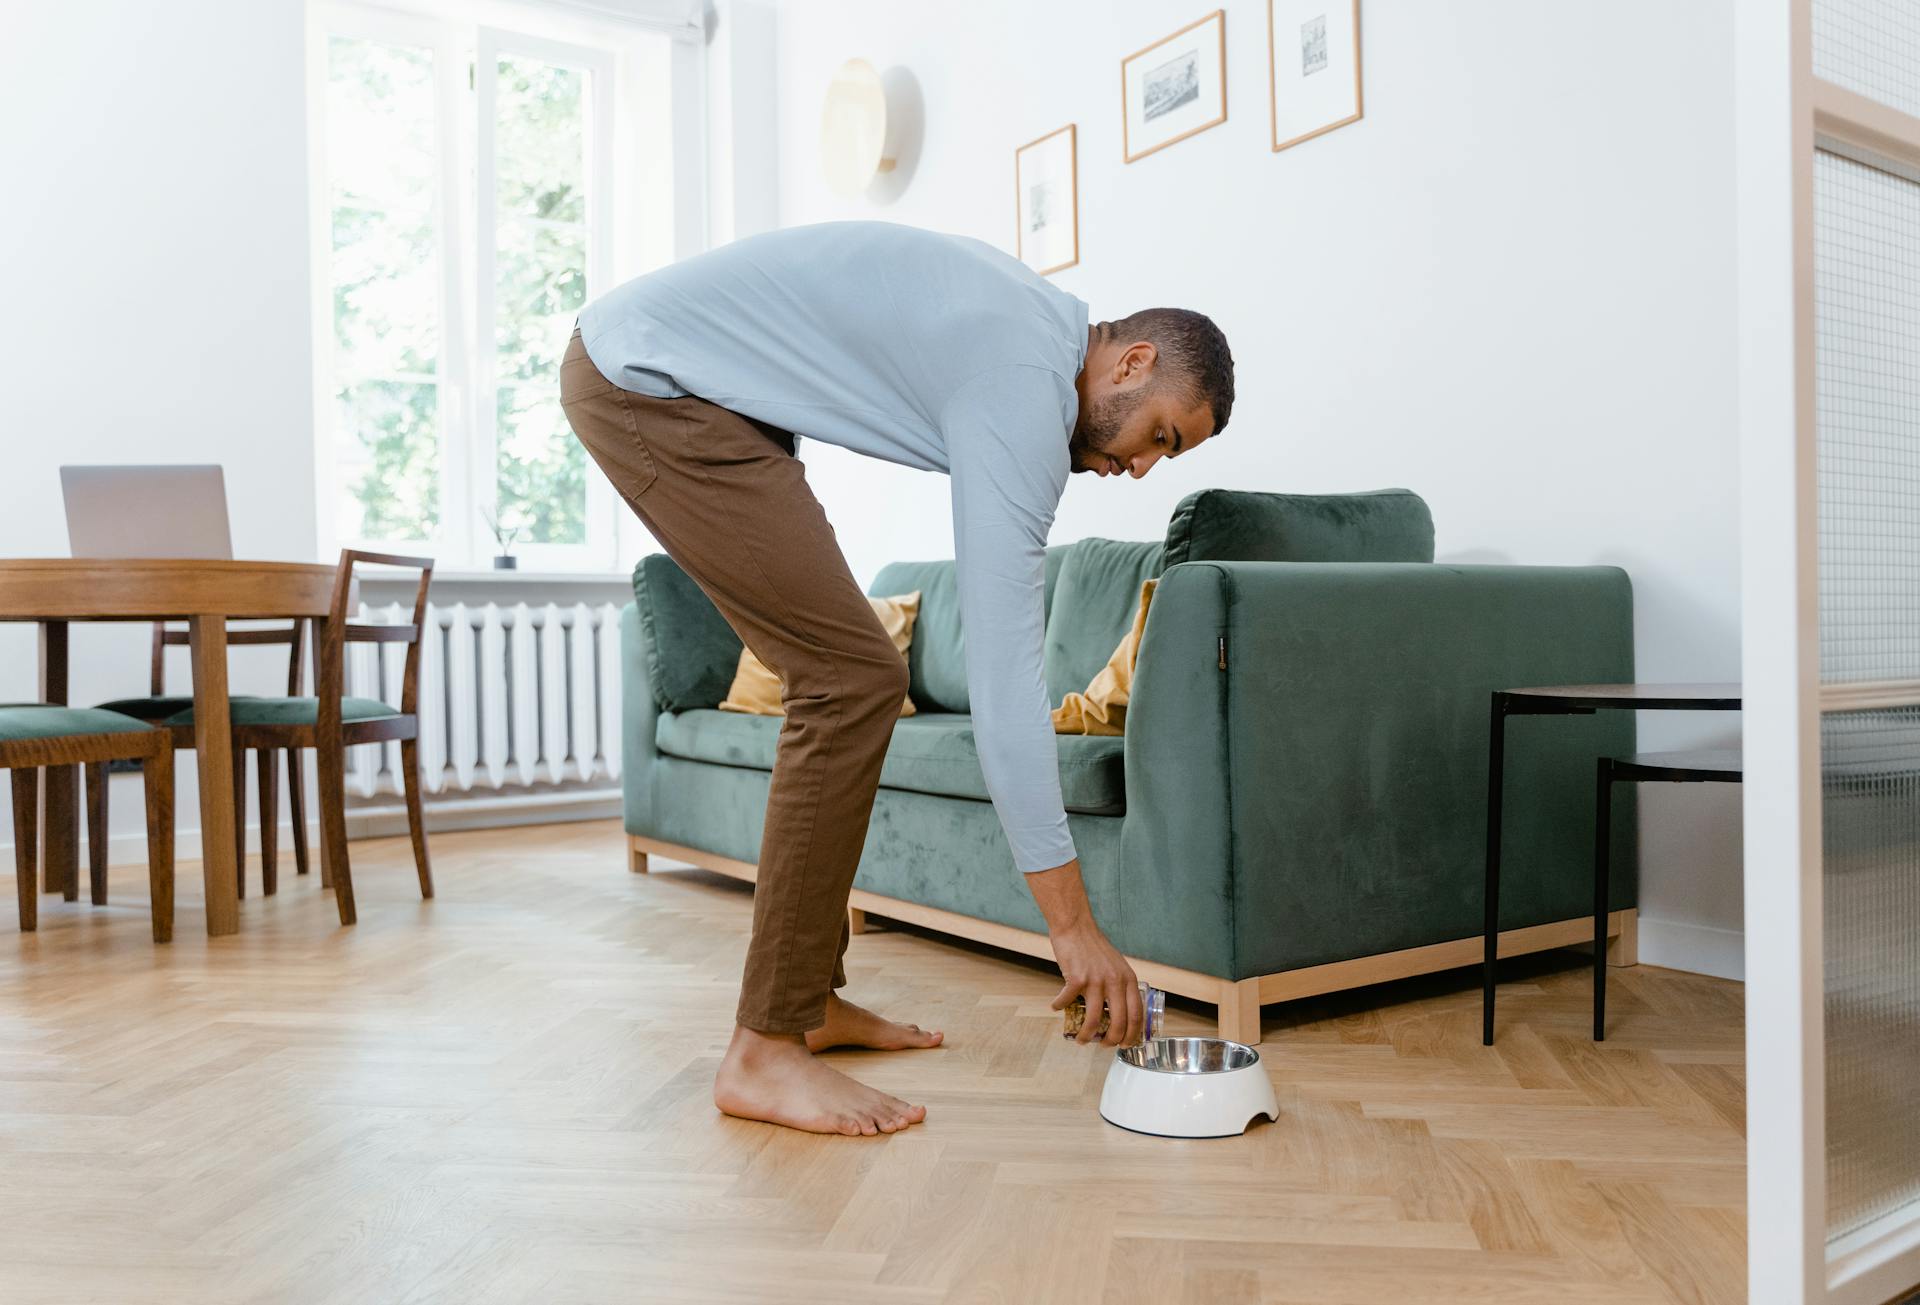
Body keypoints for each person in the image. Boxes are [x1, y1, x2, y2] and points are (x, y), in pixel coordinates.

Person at [561, 221, 1234, 1137]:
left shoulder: (1036, 335)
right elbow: (1007, 687)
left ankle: (804, 1002)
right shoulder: (1023, 389)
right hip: (646, 379)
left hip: (706, 387)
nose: (1141, 467)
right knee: (849, 678)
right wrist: (1073, 930)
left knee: (853, 675)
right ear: (1132, 361)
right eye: (1159, 434)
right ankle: (763, 1047)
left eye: (1167, 457)